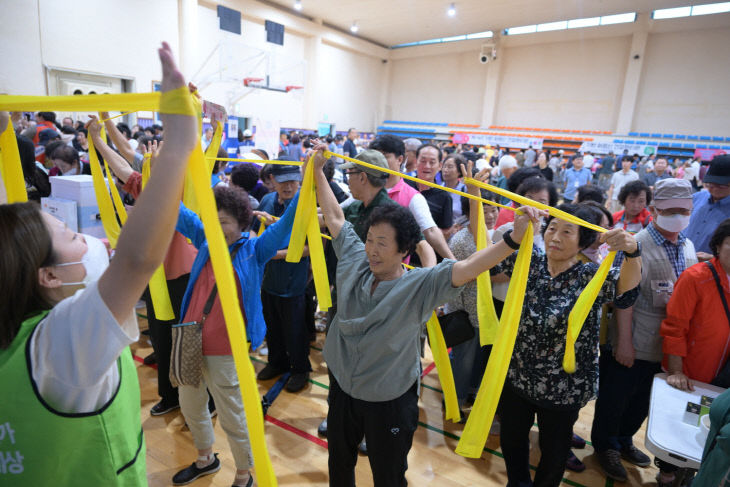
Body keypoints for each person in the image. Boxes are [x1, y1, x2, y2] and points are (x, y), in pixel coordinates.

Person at [0, 42, 196, 485]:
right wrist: (181, 141)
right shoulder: (58, 347)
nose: (87, 239)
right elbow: (136, 259)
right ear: (47, 276)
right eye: (70, 236)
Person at [309, 142, 545, 487]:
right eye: (371, 239)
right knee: (339, 463)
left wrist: (512, 240)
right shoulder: (356, 258)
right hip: (344, 389)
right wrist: (317, 169)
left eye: (382, 244)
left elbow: (466, 269)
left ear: (405, 251)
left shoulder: (420, 285)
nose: (372, 250)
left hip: (388, 400)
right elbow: (335, 218)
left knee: (389, 475)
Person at [490, 197, 642, 487]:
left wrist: (633, 252)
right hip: (518, 374)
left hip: (565, 387)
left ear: (583, 241)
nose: (555, 238)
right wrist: (519, 229)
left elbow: (626, 288)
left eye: (567, 232)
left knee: (555, 451)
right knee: (512, 440)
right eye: (551, 228)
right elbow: (493, 258)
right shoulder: (528, 262)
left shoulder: (590, 275)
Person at [87, 116, 198, 417]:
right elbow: (124, 171)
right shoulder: (147, 185)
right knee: (161, 336)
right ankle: (171, 395)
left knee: (185, 337)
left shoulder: (187, 188)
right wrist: (98, 141)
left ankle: (198, 403)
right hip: (156, 275)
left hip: (185, 276)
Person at [591, 179, 697, 484]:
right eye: (670, 210)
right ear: (653, 210)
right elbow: (624, 298)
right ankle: (605, 445)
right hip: (634, 336)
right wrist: (624, 342)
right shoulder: (635, 244)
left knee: (643, 401)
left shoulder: (687, 245)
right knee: (616, 396)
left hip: (665, 345)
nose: (678, 216)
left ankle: (624, 439)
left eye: (684, 210)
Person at [255, 164, 312, 392]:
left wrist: (275, 254)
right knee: (273, 326)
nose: (289, 186)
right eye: (283, 180)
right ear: (272, 180)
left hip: (294, 281)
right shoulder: (267, 201)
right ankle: (276, 363)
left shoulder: (305, 204)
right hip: (269, 279)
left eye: (293, 181)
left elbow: (313, 247)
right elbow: (253, 230)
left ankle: (300, 370)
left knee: (295, 330)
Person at [661, 218, 730, 389]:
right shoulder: (695, 278)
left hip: (721, 378)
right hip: (688, 376)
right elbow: (675, 328)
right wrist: (676, 372)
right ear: (718, 246)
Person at [370, 134, 455, 261]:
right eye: (423, 161)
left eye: (432, 162)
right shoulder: (369, 188)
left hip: (406, 264)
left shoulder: (414, 195)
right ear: (416, 161)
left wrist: (453, 262)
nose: (427, 166)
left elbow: (432, 231)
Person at [686, 155, 730, 258]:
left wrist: (714, 258)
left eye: (721, 185)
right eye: (710, 184)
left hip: (714, 270)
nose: (713, 188)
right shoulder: (696, 198)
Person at [441, 153, 468, 227]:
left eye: (450, 167)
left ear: (459, 171)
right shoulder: (437, 188)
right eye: (444, 166)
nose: (445, 170)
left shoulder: (465, 191)